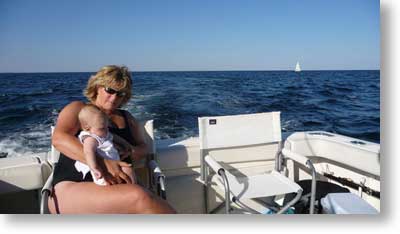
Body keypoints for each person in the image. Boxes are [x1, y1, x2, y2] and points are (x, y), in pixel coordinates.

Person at [49, 65, 176, 214]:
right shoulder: (79, 109)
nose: (114, 97)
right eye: (110, 90)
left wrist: (130, 150)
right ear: (97, 87)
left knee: (142, 197)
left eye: (121, 93)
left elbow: (143, 148)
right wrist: (104, 163)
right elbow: (59, 139)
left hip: (119, 187)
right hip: (73, 186)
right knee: (140, 197)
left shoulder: (127, 118)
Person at [75, 104, 136, 186]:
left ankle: (132, 189)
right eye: (102, 128)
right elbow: (88, 152)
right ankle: (132, 189)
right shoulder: (91, 138)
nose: (107, 130)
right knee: (127, 171)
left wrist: (126, 145)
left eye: (107, 127)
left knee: (128, 171)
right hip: (102, 171)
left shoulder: (103, 133)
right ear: (87, 128)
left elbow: (115, 137)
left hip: (114, 166)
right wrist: (94, 167)